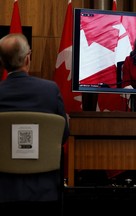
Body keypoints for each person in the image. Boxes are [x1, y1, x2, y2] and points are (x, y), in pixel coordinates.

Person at [0, 33, 69, 215]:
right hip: (44, 191)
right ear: (28, 58)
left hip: (4, 189)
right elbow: (63, 135)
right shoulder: (50, 90)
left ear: (2, 61)